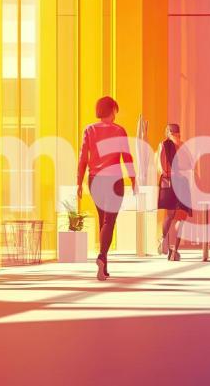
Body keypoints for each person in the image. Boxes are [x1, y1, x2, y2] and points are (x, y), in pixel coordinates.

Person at [76, 96, 137, 281]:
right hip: (114, 180)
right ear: (112, 110)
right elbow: (126, 157)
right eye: (115, 110)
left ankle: (103, 267)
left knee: (103, 219)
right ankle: (102, 256)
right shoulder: (119, 130)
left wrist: (78, 182)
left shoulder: (89, 130)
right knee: (109, 221)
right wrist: (133, 179)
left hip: (94, 180)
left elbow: (82, 158)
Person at [157, 123, 193, 261]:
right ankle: (174, 251)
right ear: (178, 132)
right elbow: (190, 164)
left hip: (168, 183)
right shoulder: (183, 146)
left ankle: (163, 239)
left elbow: (160, 166)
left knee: (169, 214)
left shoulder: (163, 145)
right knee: (181, 217)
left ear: (168, 132)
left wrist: (167, 173)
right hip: (182, 183)